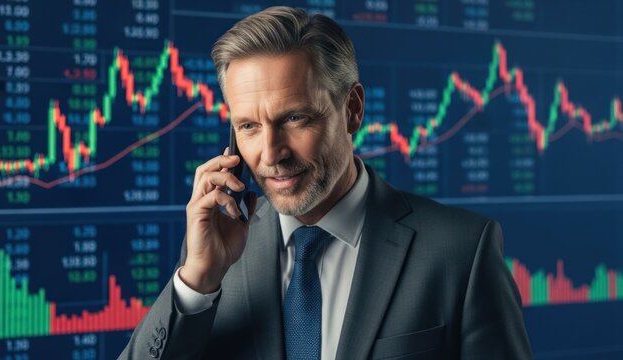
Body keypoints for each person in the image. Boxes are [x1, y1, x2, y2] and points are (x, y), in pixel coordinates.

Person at [120, 6, 532, 360]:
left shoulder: (460, 251)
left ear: (352, 109)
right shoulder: (215, 257)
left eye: (294, 118)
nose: (270, 153)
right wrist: (195, 282)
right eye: (248, 126)